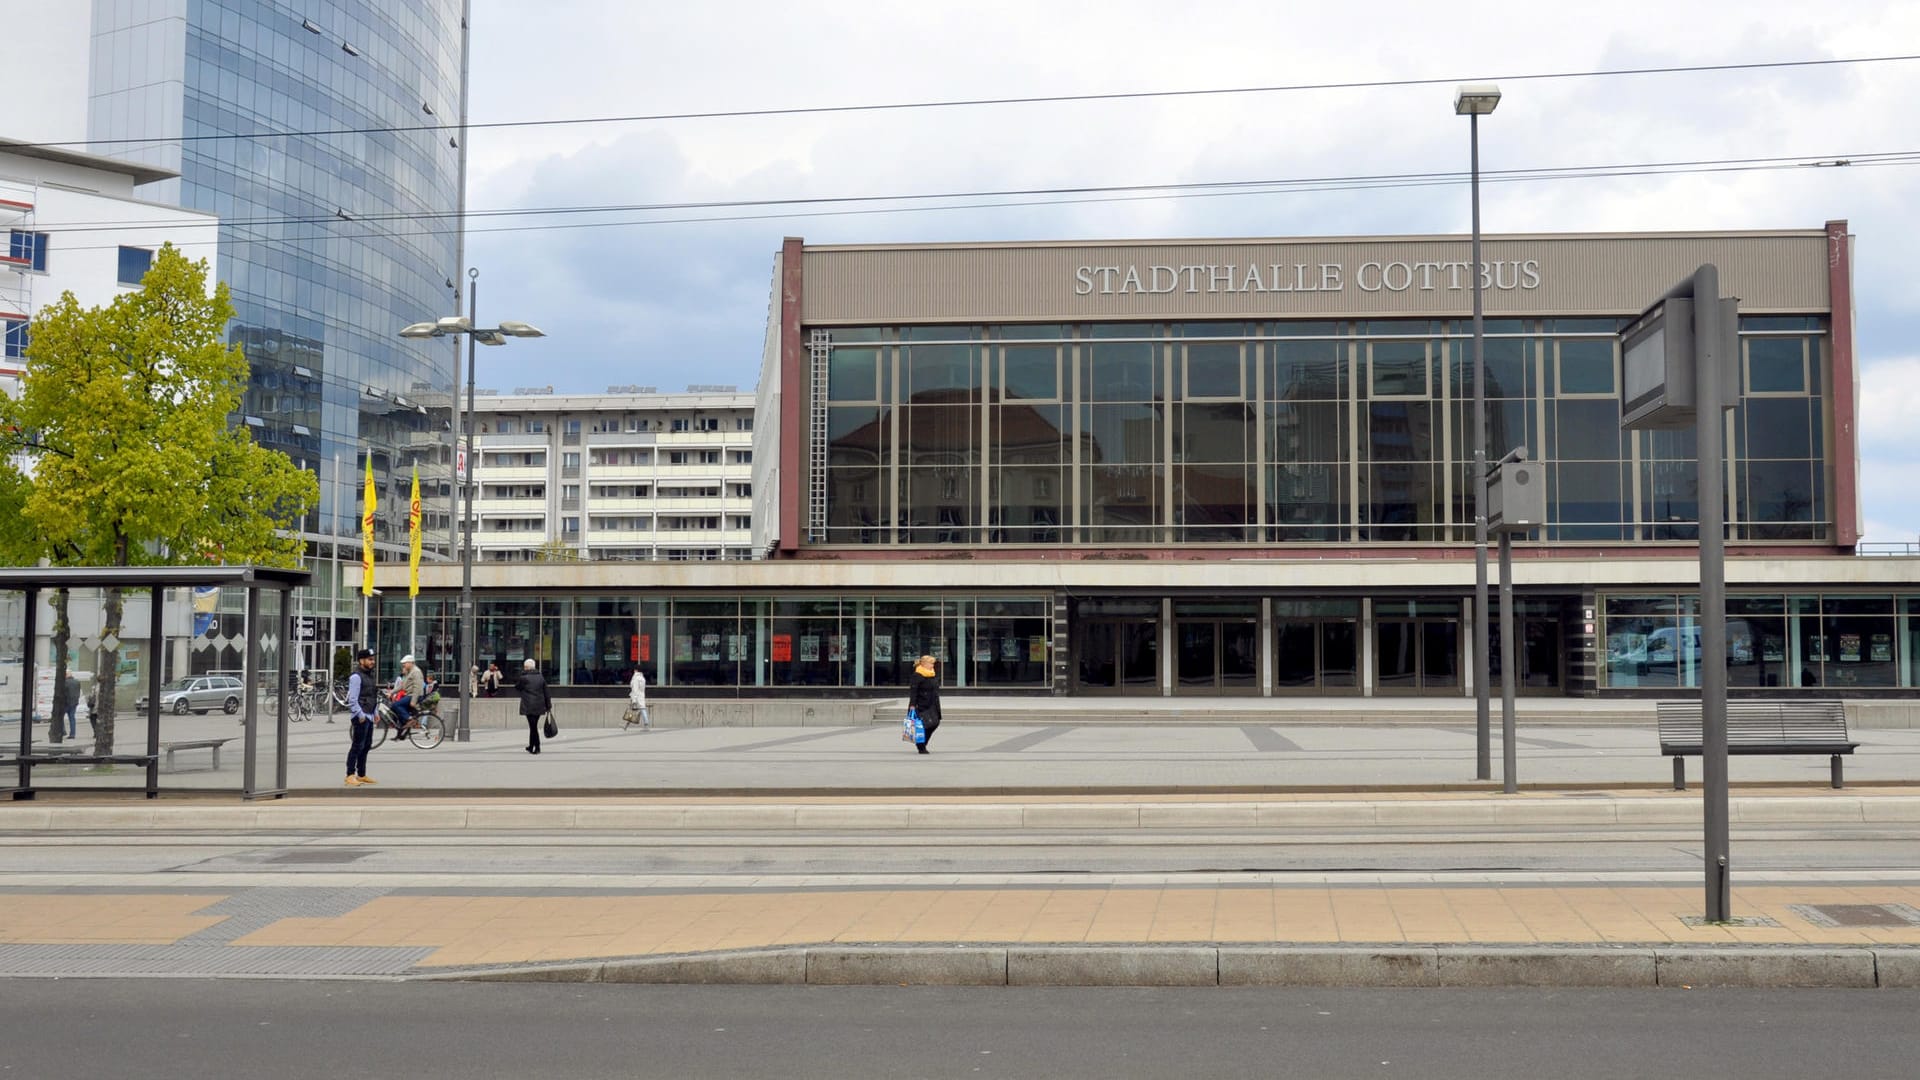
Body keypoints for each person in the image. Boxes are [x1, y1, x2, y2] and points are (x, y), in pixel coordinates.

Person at [345, 647, 378, 787]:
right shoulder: (356, 677)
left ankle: (362, 774)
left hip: (369, 715)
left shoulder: (370, 675)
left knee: (366, 745)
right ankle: (350, 775)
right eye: (370, 659)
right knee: (357, 746)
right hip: (361, 716)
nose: (373, 662)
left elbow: (372, 695)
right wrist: (360, 714)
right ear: (361, 660)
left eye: (373, 659)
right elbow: (352, 699)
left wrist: (375, 712)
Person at [907, 654, 942, 754]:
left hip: (933, 703)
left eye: (933, 663)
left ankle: (923, 742)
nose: (933, 665)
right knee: (923, 725)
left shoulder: (932, 674)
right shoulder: (917, 675)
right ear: (924, 664)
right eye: (931, 663)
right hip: (921, 704)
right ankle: (921, 746)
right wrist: (912, 705)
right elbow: (913, 691)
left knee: (935, 723)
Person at [517, 658, 550, 754]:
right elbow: (546, 692)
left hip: (529, 705)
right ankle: (531, 746)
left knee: (533, 727)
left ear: (527, 667)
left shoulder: (524, 678)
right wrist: (548, 705)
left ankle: (537, 747)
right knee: (533, 726)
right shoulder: (540, 677)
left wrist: (522, 675)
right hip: (539, 705)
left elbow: (517, 687)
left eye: (524, 667)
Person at [390, 654, 425, 736]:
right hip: (409, 695)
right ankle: (401, 734)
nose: (403, 665)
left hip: (414, 695)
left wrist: (413, 701)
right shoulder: (409, 672)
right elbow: (402, 686)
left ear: (410, 663)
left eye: (405, 663)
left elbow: (417, 687)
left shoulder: (416, 672)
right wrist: (391, 692)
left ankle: (410, 719)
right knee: (398, 711)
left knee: (396, 705)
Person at [626, 667, 651, 731]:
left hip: (636, 696)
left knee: (632, 710)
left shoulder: (635, 678)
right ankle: (646, 724)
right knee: (643, 709)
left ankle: (626, 724)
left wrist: (634, 699)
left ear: (636, 670)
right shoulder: (642, 678)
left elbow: (635, 689)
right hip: (641, 696)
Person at [60, 674, 80, 740]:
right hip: (74, 703)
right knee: (72, 718)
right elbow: (78, 692)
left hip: (66, 703)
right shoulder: (77, 682)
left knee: (60, 717)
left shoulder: (65, 682)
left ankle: (63, 731)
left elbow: (64, 693)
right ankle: (72, 734)